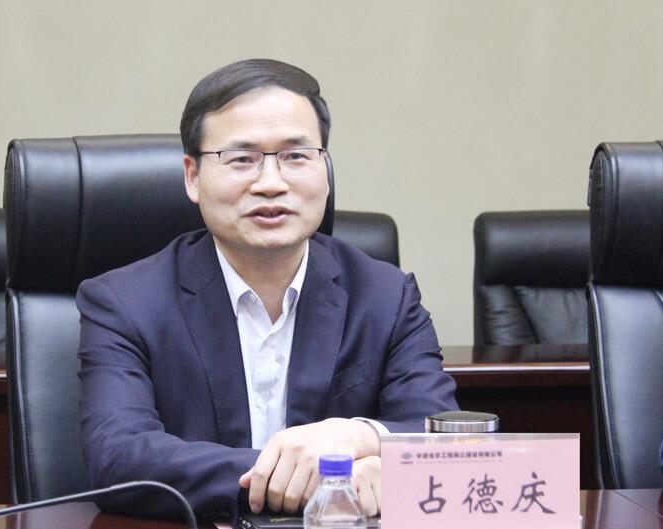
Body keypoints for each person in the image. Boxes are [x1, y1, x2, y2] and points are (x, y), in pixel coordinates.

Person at [76, 58, 459, 522]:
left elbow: (443, 441)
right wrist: (324, 476)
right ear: (192, 176)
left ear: (325, 169)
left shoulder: (386, 296)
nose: (272, 184)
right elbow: (119, 458)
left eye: (296, 156)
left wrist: (362, 438)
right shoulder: (124, 302)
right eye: (242, 160)